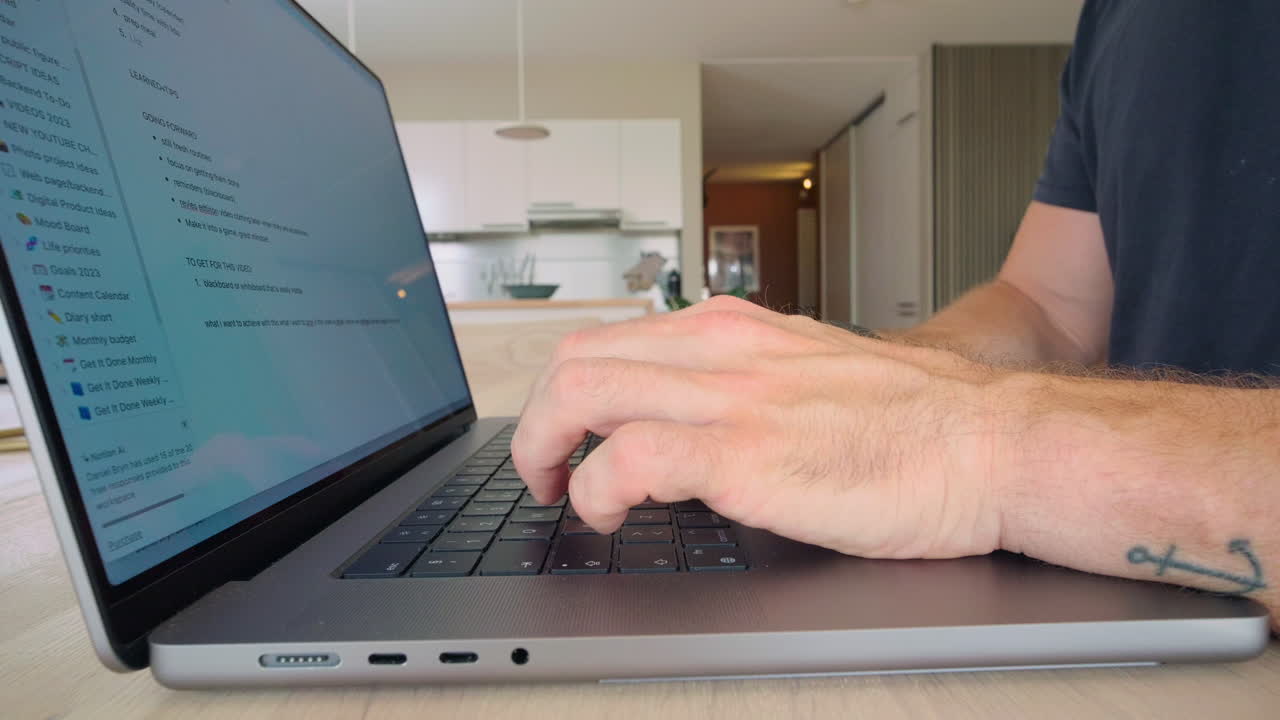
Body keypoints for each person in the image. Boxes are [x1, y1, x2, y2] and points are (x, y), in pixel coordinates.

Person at [511, 0, 1280, 631]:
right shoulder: (1116, 17)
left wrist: (968, 440)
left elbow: (975, 418)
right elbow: (1048, 306)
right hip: (1147, 613)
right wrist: (877, 388)